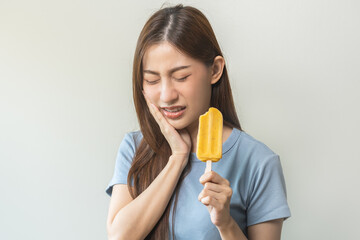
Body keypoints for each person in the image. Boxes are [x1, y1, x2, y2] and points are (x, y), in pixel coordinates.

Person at [105, 4, 291, 240]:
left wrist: (226, 224)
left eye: (181, 77)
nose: (166, 95)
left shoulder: (259, 162)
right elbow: (120, 236)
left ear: (215, 70)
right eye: (152, 80)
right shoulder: (135, 147)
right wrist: (178, 159)